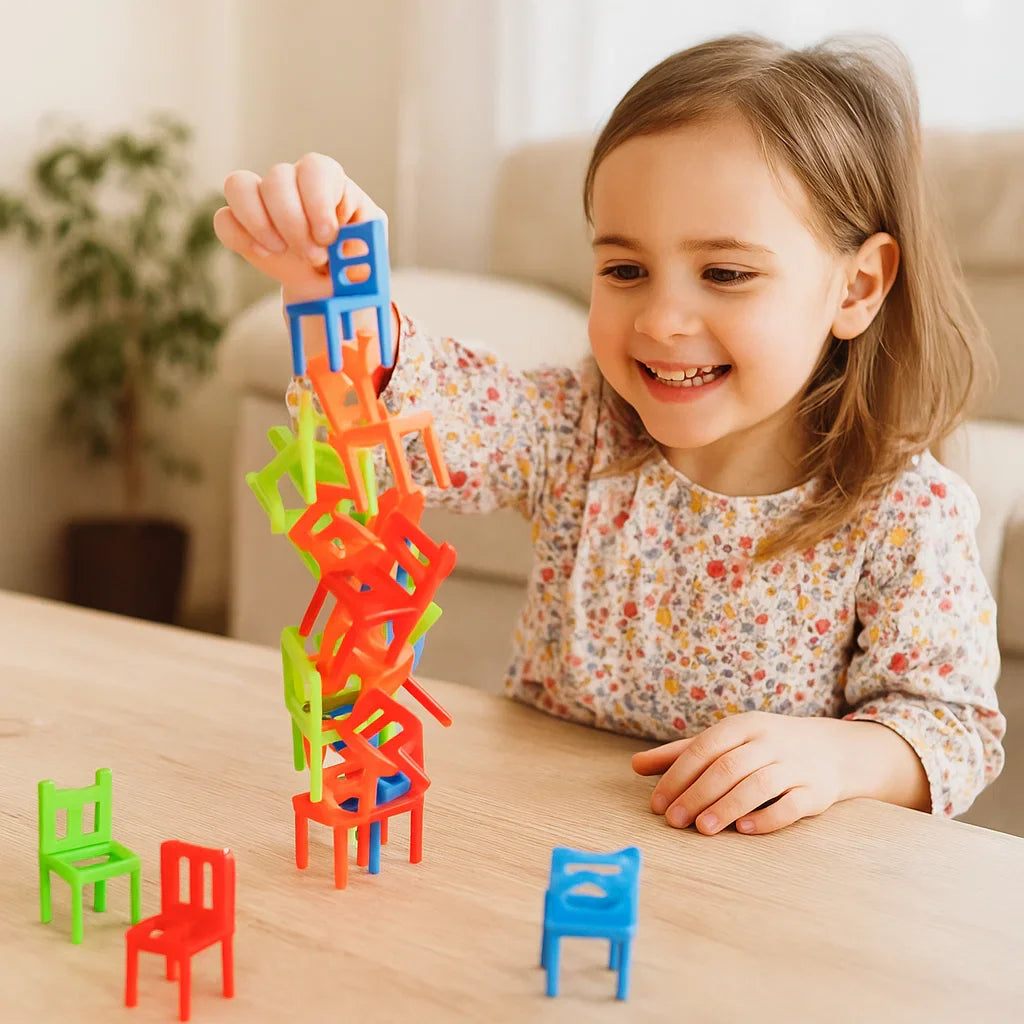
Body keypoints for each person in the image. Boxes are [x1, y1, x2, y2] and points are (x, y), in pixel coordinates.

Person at [214, 32, 1005, 837]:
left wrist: (839, 757)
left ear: (858, 286)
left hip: (757, 893)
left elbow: (953, 731)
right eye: (624, 270)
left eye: (725, 274)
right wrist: (341, 293)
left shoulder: (905, 514)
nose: (661, 320)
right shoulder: (576, 431)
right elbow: (415, 418)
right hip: (547, 838)